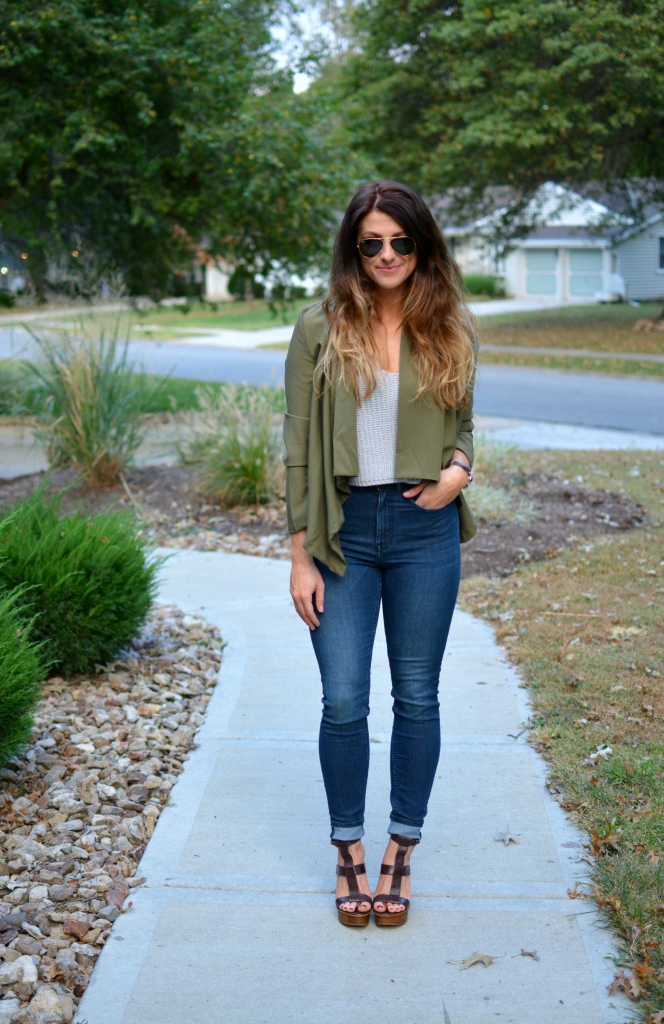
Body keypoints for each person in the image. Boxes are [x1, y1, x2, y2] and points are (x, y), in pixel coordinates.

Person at [283, 180, 477, 928]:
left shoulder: (450, 326)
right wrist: (300, 556)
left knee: (417, 695)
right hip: (342, 534)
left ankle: (400, 850)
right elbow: (300, 448)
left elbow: (464, 425)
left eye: (400, 241)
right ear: (352, 249)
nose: (387, 255)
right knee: (341, 699)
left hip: (424, 529)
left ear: (421, 245)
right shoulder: (319, 327)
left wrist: (458, 472)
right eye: (371, 243)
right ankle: (347, 852)